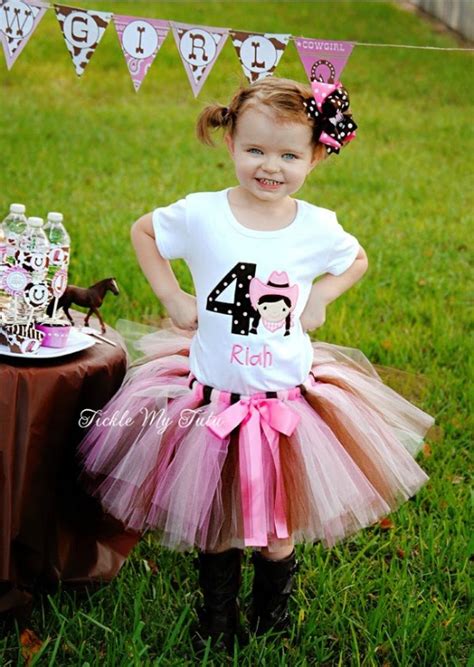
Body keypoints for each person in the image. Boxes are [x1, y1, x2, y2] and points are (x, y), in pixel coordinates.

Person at [76, 76, 435, 653]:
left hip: (286, 404)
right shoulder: (201, 214)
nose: (271, 167)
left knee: (277, 528)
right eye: (256, 150)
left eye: (290, 155)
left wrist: (321, 296)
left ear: (317, 156)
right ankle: (215, 619)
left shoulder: (317, 227)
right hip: (211, 398)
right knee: (214, 520)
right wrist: (171, 297)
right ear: (231, 144)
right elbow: (144, 231)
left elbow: (357, 259)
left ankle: (272, 617)